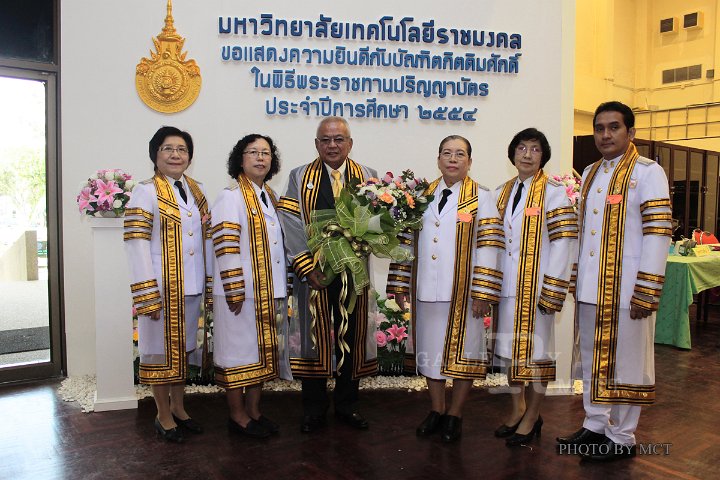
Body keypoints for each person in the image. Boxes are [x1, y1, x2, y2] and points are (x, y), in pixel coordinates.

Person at [557, 101, 672, 461]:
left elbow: (658, 233)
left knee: (627, 363)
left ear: (630, 132)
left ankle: (622, 437)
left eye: (614, 127)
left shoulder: (648, 172)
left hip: (627, 292)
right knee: (593, 360)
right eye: (599, 128)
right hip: (592, 289)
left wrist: (647, 290)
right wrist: (576, 280)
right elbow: (582, 234)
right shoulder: (589, 172)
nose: (605, 135)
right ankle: (595, 424)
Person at [386, 135, 504, 443]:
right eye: (447, 153)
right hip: (426, 291)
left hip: (464, 294)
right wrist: (400, 283)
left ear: (469, 161)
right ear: (438, 159)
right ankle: (437, 409)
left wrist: (483, 292)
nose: (453, 159)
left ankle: (455, 414)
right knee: (430, 354)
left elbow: (490, 246)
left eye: (460, 154)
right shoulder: (420, 195)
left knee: (464, 354)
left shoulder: (482, 197)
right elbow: (404, 242)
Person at [278, 117, 378, 433]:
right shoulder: (299, 176)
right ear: (316, 143)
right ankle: (314, 410)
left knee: (352, 338)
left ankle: (348, 406)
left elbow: (377, 223)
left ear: (350, 143)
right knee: (314, 340)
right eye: (325, 139)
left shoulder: (369, 177)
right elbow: (291, 223)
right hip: (316, 276)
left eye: (338, 139)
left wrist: (367, 238)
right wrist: (307, 268)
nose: (332, 145)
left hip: (354, 275)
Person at [124, 126, 211, 443]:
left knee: (183, 350)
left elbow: (206, 239)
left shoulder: (197, 190)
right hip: (161, 289)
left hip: (191, 286)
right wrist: (147, 293)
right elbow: (136, 242)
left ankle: (179, 407)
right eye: (168, 148)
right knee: (159, 352)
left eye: (182, 149)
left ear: (189, 156)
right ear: (155, 155)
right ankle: (162, 414)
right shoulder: (145, 192)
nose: (176, 154)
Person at [492, 128, 578, 447]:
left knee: (537, 356)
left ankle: (533, 416)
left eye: (535, 149)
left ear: (543, 156)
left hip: (538, 290)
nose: (527, 154)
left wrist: (553, 289)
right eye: (522, 148)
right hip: (507, 289)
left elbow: (564, 241)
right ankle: (517, 409)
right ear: (513, 153)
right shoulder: (502, 192)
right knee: (511, 353)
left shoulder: (554, 193)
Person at [210, 134, 292, 439]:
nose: (260, 158)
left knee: (260, 353)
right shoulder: (230, 197)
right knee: (237, 354)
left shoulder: (269, 196)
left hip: (268, 292)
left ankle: (255, 411)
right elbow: (225, 244)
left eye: (266, 153)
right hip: (240, 294)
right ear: (240, 159)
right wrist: (233, 287)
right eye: (253, 152)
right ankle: (237, 415)